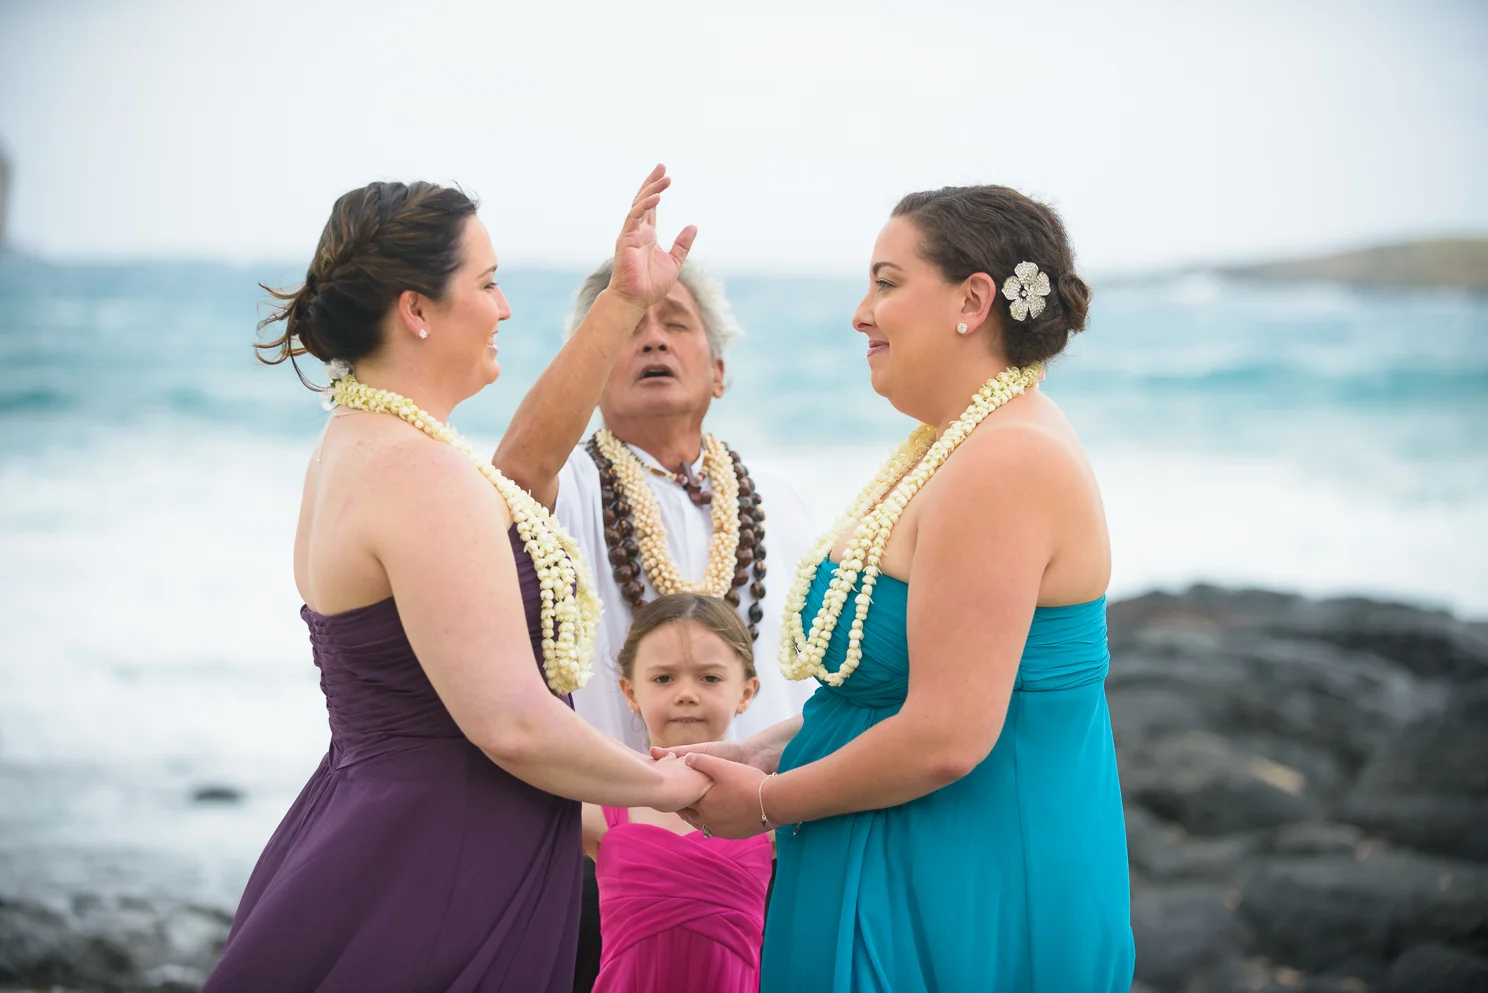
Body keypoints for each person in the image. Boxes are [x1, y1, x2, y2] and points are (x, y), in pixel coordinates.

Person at [203, 166, 711, 993]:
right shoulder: (417, 472)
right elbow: (509, 722)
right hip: (442, 862)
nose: (504, 308)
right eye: (488, 282)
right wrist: (668, 784)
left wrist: (623, 300)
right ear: (417, 310)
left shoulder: (354, 445)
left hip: (391, 825)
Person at [665, 185, 1137, 992]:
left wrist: (768, 802)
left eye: (886, 282)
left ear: (973, 300)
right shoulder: (951, 444)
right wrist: (756, 750)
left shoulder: (1005, 461)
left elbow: (948, 733)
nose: (860, 312)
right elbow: (892, 689)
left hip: (964, 883)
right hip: (894, 845)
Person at [493, 254, 816, 990]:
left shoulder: (781, 496)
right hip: (609, 859)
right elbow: (511, 477)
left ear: (720, 371)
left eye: (677, 323)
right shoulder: (566, 486)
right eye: (627, 330)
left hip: (771, 854)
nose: (654, 339)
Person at [581, 594, 774, 993]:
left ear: (746, 692)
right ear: (630, 691)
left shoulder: (772, 805)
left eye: (710, 678)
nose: (686, 693)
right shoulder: (597, 806)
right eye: (664, 678)